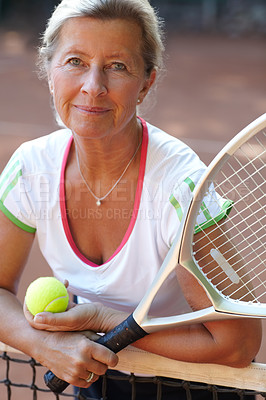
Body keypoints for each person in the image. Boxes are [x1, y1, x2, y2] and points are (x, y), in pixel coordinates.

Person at [0, 0, 262, 399]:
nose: (93, 85)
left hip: (197, 387)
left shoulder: (179, 185)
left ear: (146, 82)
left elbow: (239, 343)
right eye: (74, 61)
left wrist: (104, 319)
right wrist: (42, 344)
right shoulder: (31, 169)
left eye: (117, 66)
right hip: (96, 378)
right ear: (49, 72)